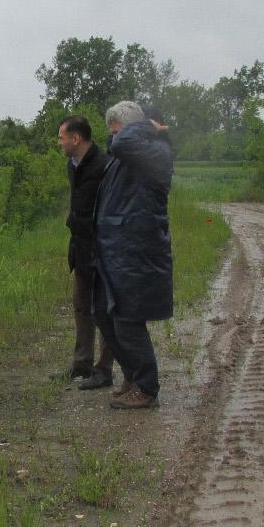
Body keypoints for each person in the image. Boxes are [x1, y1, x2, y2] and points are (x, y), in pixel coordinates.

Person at [91, 100, 174, 409]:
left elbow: (123, 140)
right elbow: (119, 144)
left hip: (136, 251)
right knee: (103, 312)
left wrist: (142, 125)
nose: (113, 139)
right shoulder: (129, 152)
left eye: (116, 131)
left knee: (128, 319)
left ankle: (146, 386)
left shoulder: (154, 152)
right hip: (114, 250)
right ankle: (131, 374)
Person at [56, 116, 118, 388]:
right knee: (81, 306)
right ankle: (81, 365)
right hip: (79, 246)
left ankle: (104, 370)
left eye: (61, 138)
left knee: (104, 309)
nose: (59, 143)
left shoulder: (105, 165)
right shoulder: (72, 165)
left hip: (103, 248)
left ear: (76, 138)